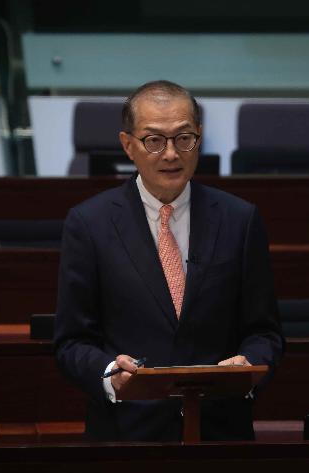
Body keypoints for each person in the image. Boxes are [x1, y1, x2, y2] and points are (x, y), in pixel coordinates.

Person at [54, 80, 283, 441]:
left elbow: (265, 332)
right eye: (154, 141)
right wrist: (110, 372)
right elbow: (72, 341)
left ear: (199, 138)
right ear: (128, 145)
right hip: (127, 435)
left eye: (183, 138)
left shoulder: (240, 220)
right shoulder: (89, 224)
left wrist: (248, 366)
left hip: (219, 433)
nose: (171, 154)